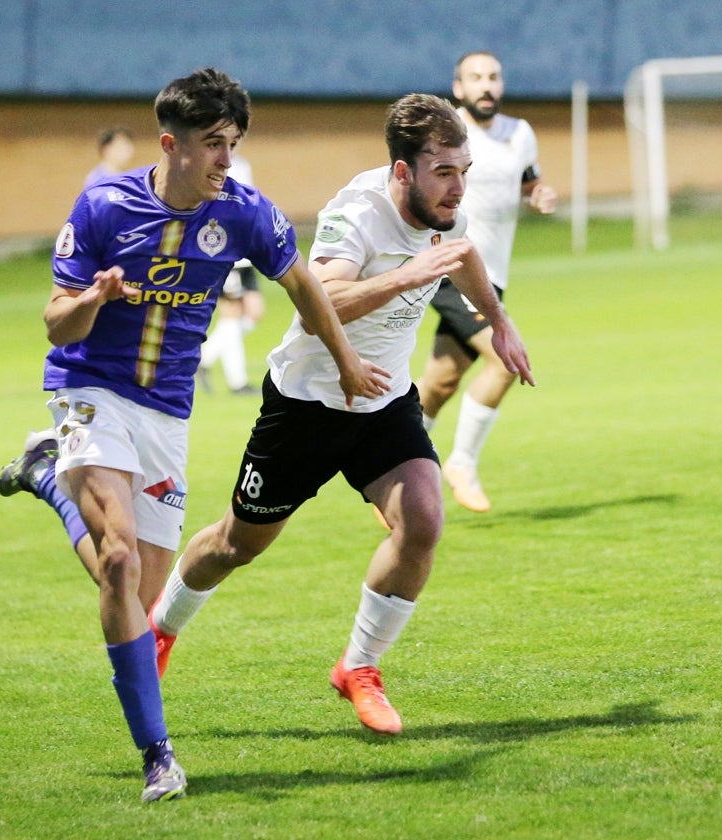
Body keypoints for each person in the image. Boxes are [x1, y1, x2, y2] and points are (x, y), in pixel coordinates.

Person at [0, 68, 388, 803]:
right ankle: (158, 757)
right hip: (89, 392)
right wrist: (93, 297)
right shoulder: (104, 204)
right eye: (213, 144)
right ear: (170, 144)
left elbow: (304, 284)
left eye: (233, 143)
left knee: (137, 601)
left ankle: (49, 480)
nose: (226, 160)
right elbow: (55, 321)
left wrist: (345, 363)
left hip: (166, 416)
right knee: (116, 563)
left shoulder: (243, 211)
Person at [147, 93, 534, 736]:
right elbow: (317, 304)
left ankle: (359, 667)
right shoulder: (357, 211)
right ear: (403, 170)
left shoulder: (445, 208)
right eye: (444, 171)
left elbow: (461, 255)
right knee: (236, 545)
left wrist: (500, 324)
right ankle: (160, 629)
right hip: (307, 405)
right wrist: (408, 276)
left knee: (423, 521)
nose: (458, 186)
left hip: (383, 403)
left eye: (464, 169)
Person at [415, 51, 557, 512]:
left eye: (493, 76)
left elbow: (528, 183)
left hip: (491, 275)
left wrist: (539, 195)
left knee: (440, 381)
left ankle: (391, 472)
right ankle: (461, 463)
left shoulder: (521, 134)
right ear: (459, 88)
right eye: (475, 78)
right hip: (447, 266)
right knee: (504, 362)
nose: (486, 85)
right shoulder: (444, 135)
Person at [197, 153, 265, 394]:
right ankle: (238, 382)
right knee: (232, 315)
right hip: (228, 253)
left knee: (253, 312)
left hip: (246, 252)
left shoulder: (242, 164)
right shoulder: (207, 166)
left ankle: (205, 358)